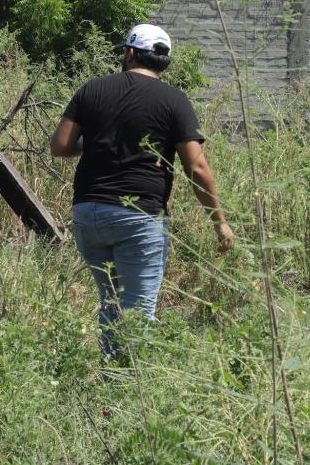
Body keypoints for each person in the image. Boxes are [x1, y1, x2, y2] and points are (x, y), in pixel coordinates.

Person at [49, 23, 234, 361]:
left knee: (111, 303)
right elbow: (197, 168)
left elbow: (60, 146)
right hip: (139, 218)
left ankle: (110, 382)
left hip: (89, 213)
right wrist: (219, 222)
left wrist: (93, 141)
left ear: (130, 53)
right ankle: (131, 394)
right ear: (163, 62)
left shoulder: (92, 89)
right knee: (138, 311)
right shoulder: (174, 100)